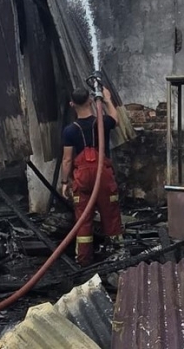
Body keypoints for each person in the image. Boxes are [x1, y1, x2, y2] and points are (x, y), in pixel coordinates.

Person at [60, 86, 124, 266]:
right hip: (103, 176)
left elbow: (67, 160)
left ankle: (83, 260)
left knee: (83, 220)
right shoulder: (102, 122)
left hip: (82, 178)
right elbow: (116, 120)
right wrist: (107, 100)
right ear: (90, 100)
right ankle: (117, 254)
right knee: (111, 216)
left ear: (72, 104)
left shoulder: (69, 131)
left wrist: (65, 182)